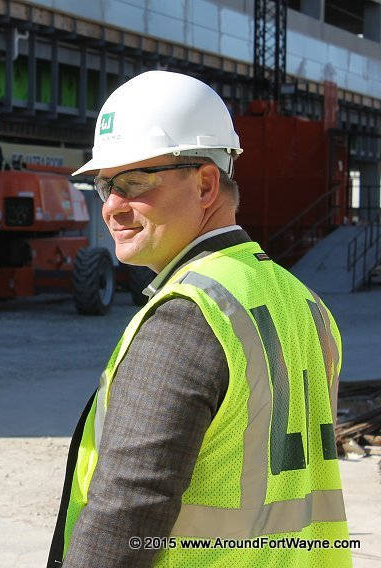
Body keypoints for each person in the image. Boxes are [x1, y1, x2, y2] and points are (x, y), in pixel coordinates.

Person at [47, 71, 350, 567]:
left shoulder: (189, 316)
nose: (113, 208)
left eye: (133, 183)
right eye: (105, 186)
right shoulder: (306, 304)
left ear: (206, 183)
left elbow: (127, 507)